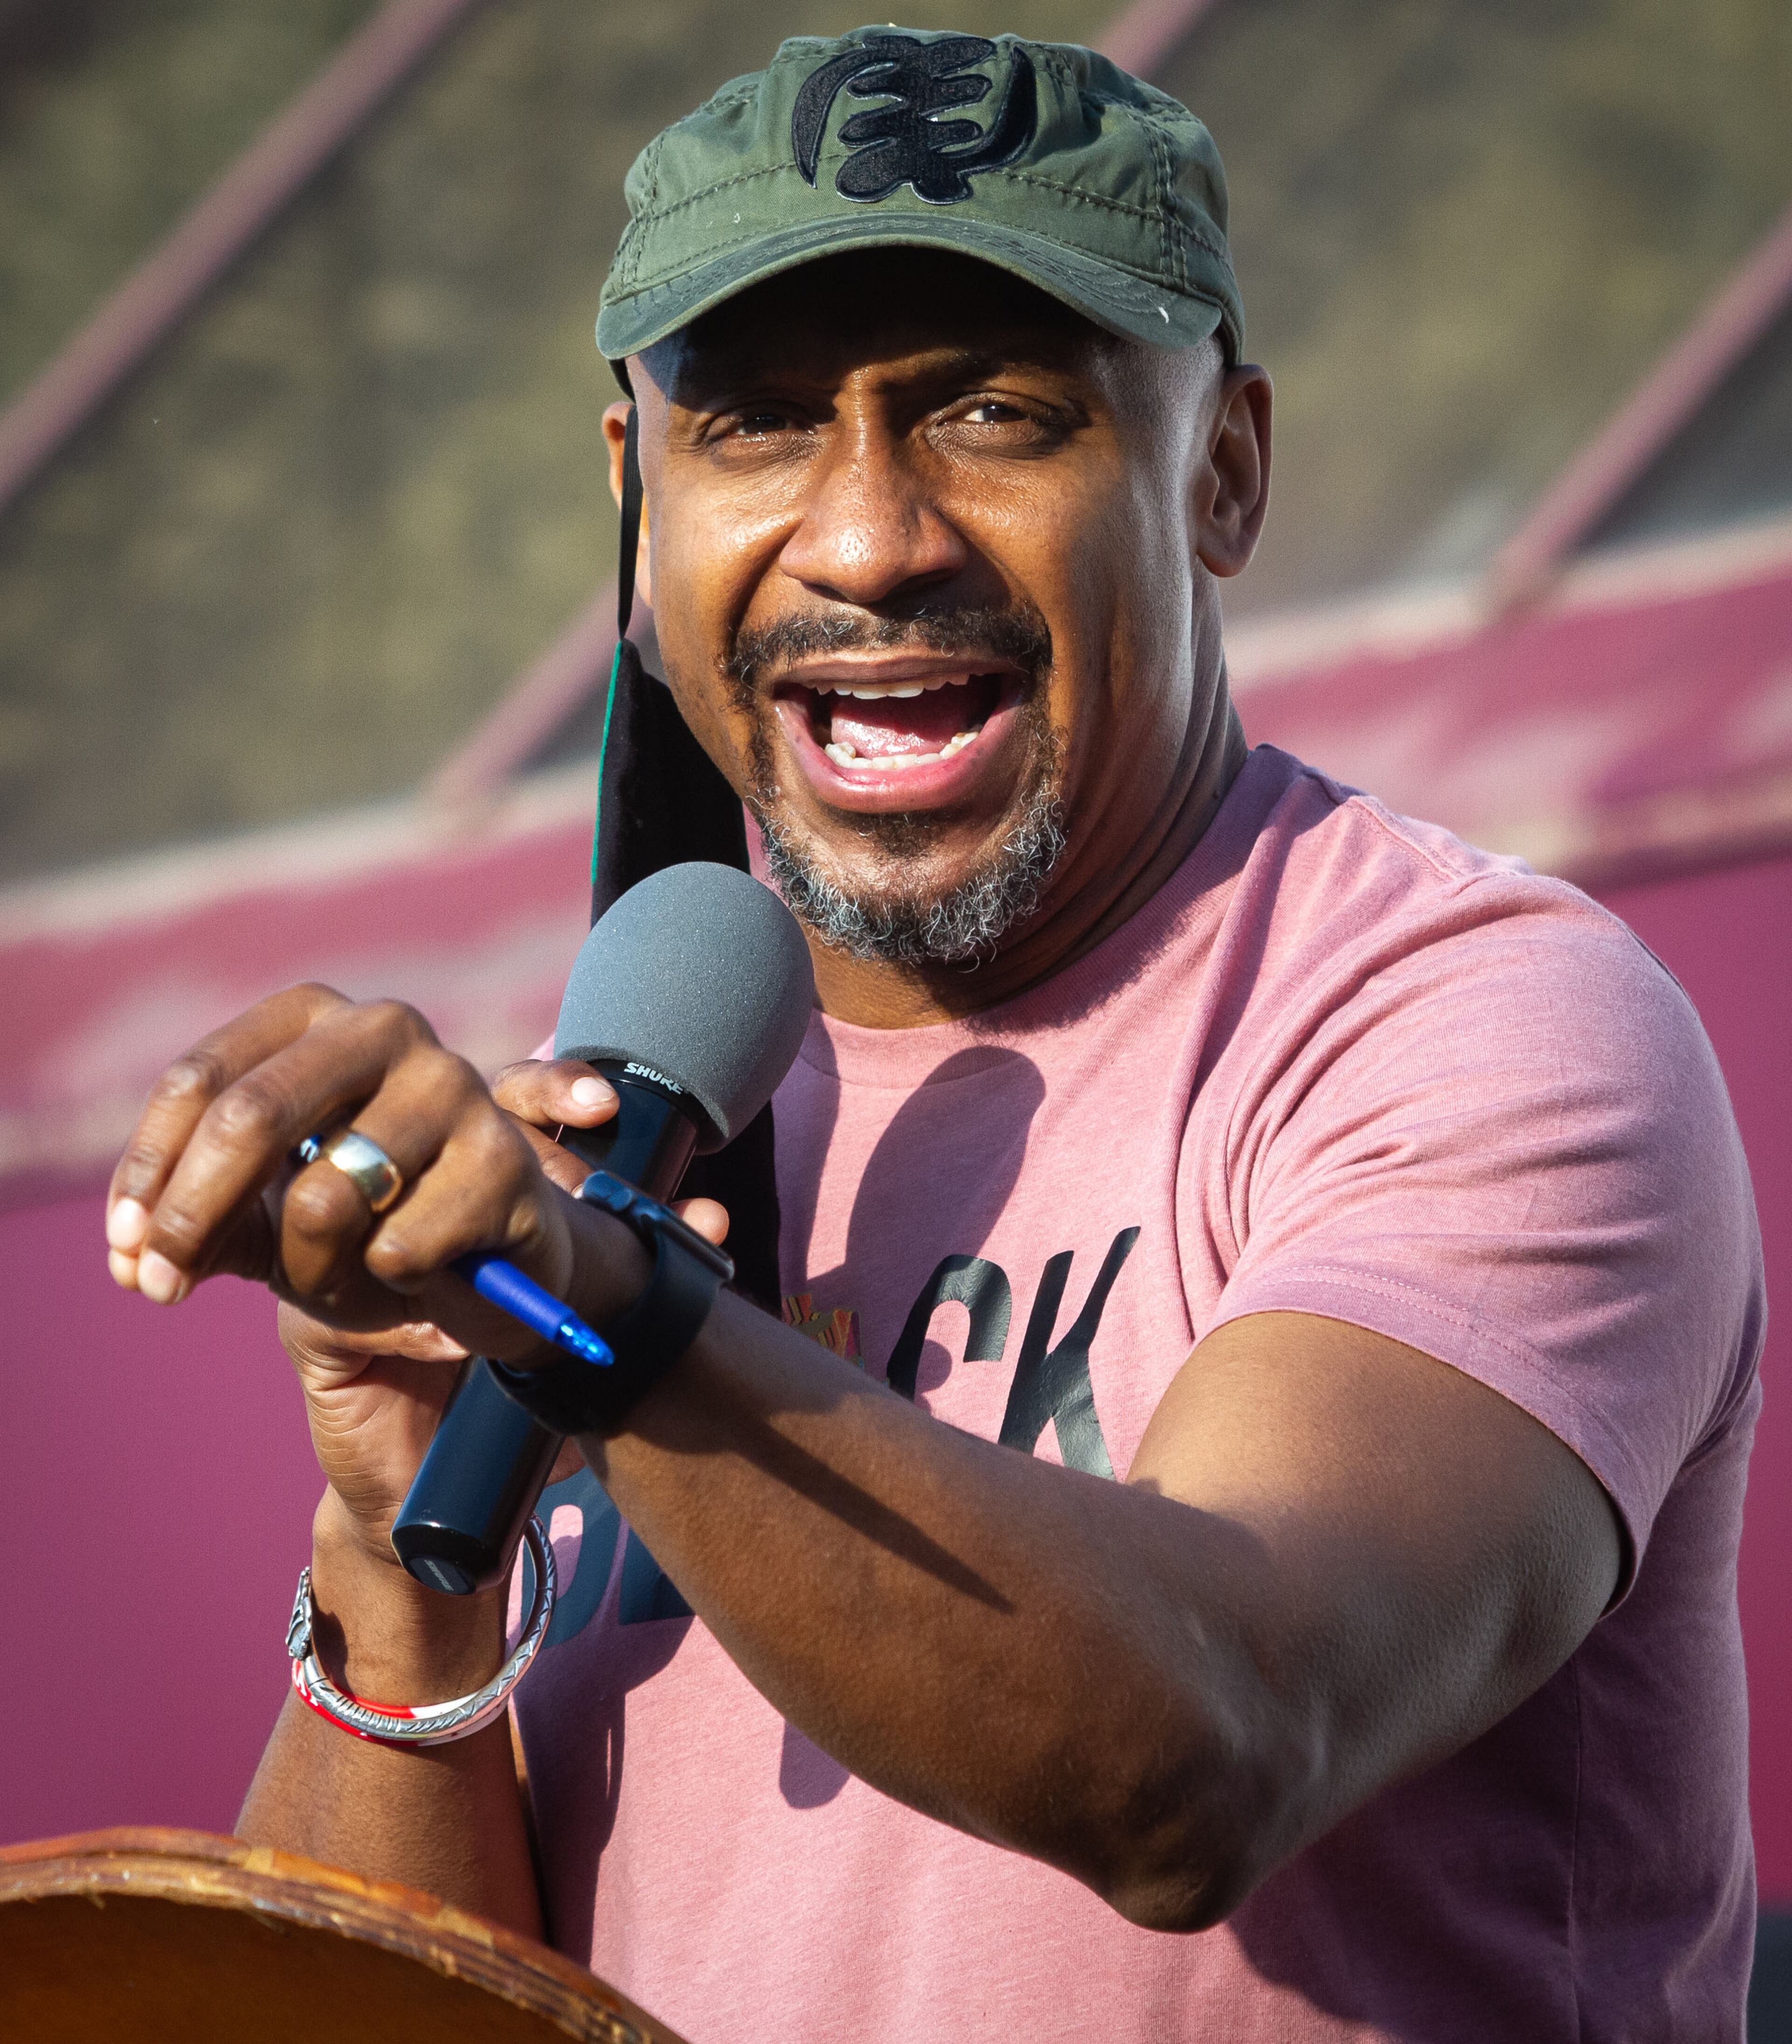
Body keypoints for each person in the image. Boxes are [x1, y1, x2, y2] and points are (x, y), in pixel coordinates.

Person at [105, 28, 1763, 2044]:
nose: (874, 535)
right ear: (636, 498)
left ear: (1221, 468)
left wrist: (604, 1323)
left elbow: (1207, 1752)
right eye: (761, 426)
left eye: (994, 411)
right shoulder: (622, 1120)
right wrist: (397, 1555)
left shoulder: (1474, 1023)